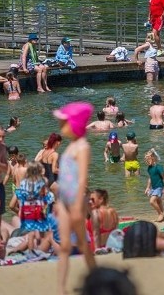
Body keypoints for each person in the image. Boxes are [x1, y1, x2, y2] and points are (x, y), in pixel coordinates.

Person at [53, 102, 97, 293]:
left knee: (82, 244)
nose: (61, 127)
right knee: (64, 245)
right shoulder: (70, 146)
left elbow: (81, 179)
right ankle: (61, 288)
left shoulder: (82, 147)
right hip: (63, 201)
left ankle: (97, 278)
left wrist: (79, 206)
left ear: (75, 124)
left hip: (75, 202)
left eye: (64, 123)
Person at [144, 149, 164, 222]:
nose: (147, 161)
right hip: (153, 187)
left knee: (152, 201)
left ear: (153, 158)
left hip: (159, 186)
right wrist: (147, 187)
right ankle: (162, 214)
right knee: (159, 201)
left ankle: (160, 214)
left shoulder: (158, 167)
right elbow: (150, 178)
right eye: (146, 160)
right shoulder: (149, 168)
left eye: (148, 159)